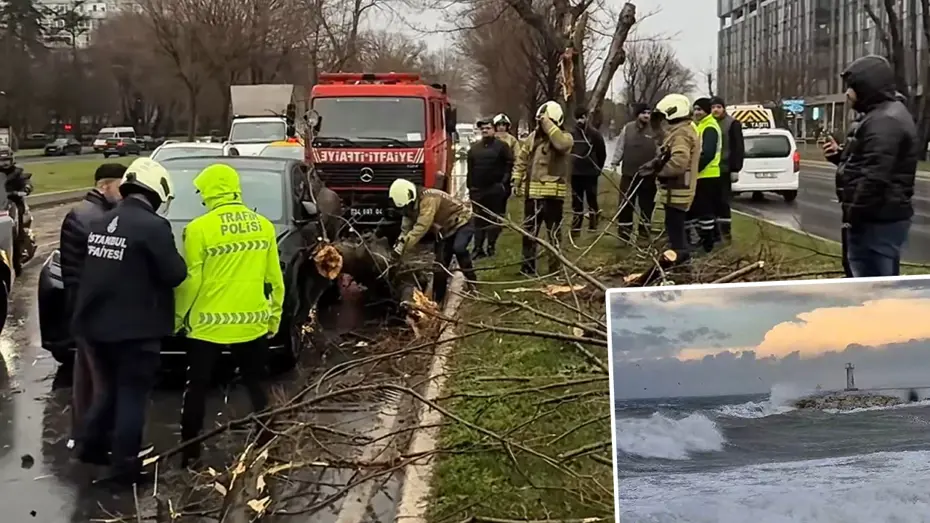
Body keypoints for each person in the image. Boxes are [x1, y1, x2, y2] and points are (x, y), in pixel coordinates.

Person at [71, 157, 186, 486]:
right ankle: (125, 466)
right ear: (156, 191)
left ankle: (90, 446)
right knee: (133, 396)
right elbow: (174, 273)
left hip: (98, 326)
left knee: (108, 392)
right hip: (136, 330)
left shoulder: (104, 222)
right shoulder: (153, 227)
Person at [174, 163, 284, 468]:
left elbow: (191, 281)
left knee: (196, 389)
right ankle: (265, 441)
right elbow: (275, 280)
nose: (200, 198)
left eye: (202, 192)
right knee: (256, 385)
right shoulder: (264, 226)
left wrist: (179, 318)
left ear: (211, 191)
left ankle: (190, 452)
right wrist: (273, 318)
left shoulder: (198, 229)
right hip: (252, 324)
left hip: (207, 327)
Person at [823, 54, 916, 277]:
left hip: (876, 222)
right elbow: (869, 160)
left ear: (867, 86)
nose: (848, 94)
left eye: (852, 87)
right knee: (867, 281)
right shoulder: (879, 116)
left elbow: (875, 176)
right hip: (876, 218)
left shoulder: (885, 120)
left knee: (873, 288)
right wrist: (840, 157)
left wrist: (853, 217)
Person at [59, 163, 126, 451]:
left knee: (86, 376)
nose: (123, 194)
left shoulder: (88, 213)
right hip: (91, 309)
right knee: (98, 378)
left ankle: (83, 434)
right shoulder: (93, 218)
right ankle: (94, 439)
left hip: (83, 307)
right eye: (120, 187)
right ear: (104, 186)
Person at [512, 101, 573, 277]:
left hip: (552, 198)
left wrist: (548, 124)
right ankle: (527, 268)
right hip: (532, 197)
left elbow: (560, 144)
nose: (542, 125)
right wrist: (516, 179)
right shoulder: (533, 138)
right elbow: (522, 159)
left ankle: (554, 269)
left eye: (545, 121)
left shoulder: (565, 137)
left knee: (553, 235)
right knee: (529, 234)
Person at [389, 178, 476, 304]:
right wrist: (397, 248)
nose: (405, 210)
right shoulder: (409, 207)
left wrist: (402, 248)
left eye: (406, 207)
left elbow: (421, 227)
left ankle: (472, 281)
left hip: (462, 222)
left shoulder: (429, 199)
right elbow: (405, 230)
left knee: (459, 248)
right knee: (440, 265)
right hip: (446, 230)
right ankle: (436, 301)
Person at [649, 94, 700, 261]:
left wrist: (658, 172)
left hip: (678, 192)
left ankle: (682, 268)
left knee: (676, 236)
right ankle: (680, 265)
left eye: (664, 116)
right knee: (675, 233)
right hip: (677, 192)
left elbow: (679, 162)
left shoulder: (681, 135)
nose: (663, 120)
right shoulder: (682, 130)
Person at [609, 103, 659, 240]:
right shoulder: (628, 128)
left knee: (647, 206)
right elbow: (620, 146)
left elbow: (660, 150)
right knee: (625, 205)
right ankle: (624, 234)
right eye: (644, 113)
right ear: (637, 115)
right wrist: (614, 162)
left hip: (648, 176)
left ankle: (644, 234)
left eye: (649, 113)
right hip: (629, 174)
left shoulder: (655, 130)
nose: (647, 116)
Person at [466, 118, 513, 258]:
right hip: (478, 190)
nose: (485, 131)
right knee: (478, 220)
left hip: (495, 189)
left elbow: (509, 165)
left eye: (487, 128)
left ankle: (491, 246)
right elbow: (470, 170)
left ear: (493, 129)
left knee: (493, 219)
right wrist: (470, 188)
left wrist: (503, 184)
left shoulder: (502, 147)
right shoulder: (474, 149)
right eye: (482, 129)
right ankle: (478, 248)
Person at [687, 97, 723, 253]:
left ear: (706, 111)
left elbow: (707, 154)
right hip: (703, 175)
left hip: (707, 175)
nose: (696, 112)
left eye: (699, 109)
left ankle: (708, 244)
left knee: (705, 211)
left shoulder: (709, 127)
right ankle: (706, 239)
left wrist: (695, 169)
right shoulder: (701, 126)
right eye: (695, 109)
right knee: (698, 210)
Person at [709, 97, 745, 243]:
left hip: (724, 169)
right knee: (711, 203)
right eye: (713, 107)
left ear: (724, 108)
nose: (715, 110)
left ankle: (725, 234)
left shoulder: (732, 124)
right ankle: (714, 234)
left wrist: (735, 168)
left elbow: (738, 147)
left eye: (718, 107)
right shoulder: (709, 123)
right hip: (710, 170)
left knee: (723, 203)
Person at [570, 107, 607, 234]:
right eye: (578, 118)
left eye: (582, 117)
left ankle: (593, 224)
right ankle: (576, 226)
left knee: (591, 198)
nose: (580, 121)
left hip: (590, 173)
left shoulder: (595, 134)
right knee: (576, 200)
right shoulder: (572, 134)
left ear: (587, 117)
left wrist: (598, 168)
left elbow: (602, 153)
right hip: (575, 173)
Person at [0, 146, 34, 275]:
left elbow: (27, 181)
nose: (4, 164)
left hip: (14, 203)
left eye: (6, 161)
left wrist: (25, 188)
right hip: (1, 204)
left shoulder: (18, 173)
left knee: (17, 229)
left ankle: (18, 257)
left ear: (11, 160)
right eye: (1, 161)